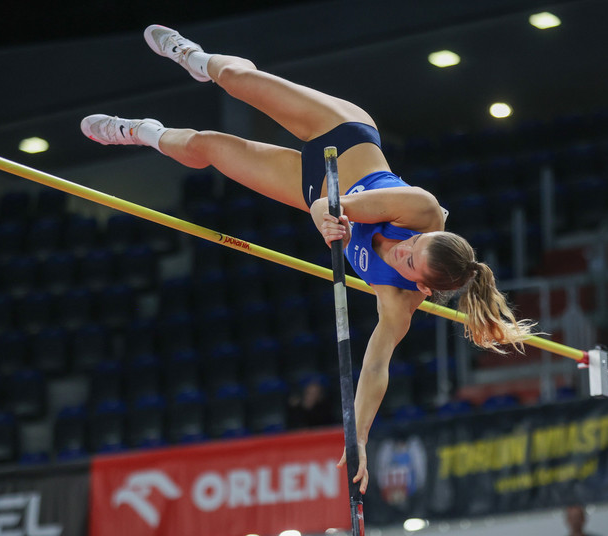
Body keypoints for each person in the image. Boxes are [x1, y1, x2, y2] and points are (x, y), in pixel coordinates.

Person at [81, 24, 536, 494]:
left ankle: (142, 132)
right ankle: (192, 56)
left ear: (422, 286)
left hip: (306, 183)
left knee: (208, 147)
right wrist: (325, 218)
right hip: (341, 132)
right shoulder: (419, 208)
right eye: (414, 242)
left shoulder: (399, 303)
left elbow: (376, 367)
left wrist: (358, 433)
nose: (405, 246)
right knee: (237, 80)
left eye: (409, 258)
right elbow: (331, 207)